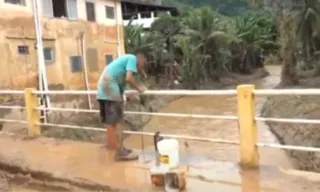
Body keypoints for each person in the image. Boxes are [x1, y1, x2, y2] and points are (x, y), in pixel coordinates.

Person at [97, 51, 147, 161]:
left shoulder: (123, 66)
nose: (139, 70)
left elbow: (123, 83)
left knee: (114, 122)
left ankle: (120, 148)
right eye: (141, 67)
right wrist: (138, 89)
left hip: (103, 88)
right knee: (120, 121)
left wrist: (126, 97)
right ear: (140, 61)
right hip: (109, 86)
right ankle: (120, 153)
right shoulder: (132, 58)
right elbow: (129, 78)